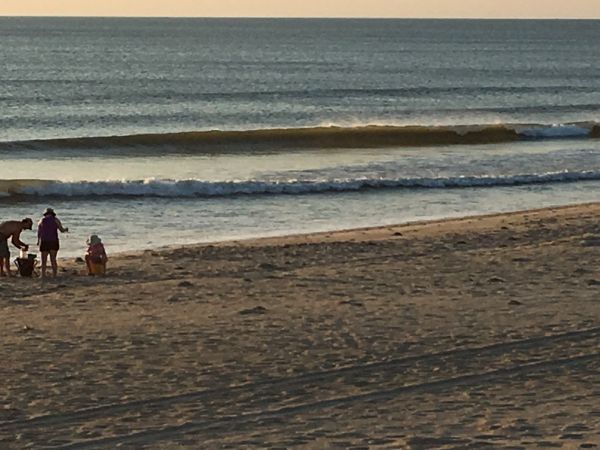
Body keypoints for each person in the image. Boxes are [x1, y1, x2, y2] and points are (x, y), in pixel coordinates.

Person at [37, 208, 68, 278]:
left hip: (44, 241)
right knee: (53, 259)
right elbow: (61, 230)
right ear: (53, 213)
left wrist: (38, 241)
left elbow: (39, 232)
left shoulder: (41, 220)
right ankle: (54, 274)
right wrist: (66, 229)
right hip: (53, 241)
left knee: (43, 260)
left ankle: (43, 274)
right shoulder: (55, 220)